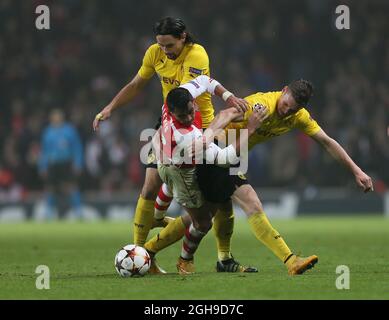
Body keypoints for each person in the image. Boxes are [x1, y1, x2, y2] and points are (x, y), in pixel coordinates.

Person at [144, 79, 374, 275]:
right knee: (248, 203)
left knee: (211, 213)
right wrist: (207, 138)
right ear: (283, 91)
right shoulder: (261, 105)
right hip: (217, 154)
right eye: (285, 105)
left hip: (230, 156)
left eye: (292, 109)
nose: (286, 111)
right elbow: (225, 113)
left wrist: (356, 171)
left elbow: (327, 142)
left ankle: (202, 257)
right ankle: (290, 261)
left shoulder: (298, 117)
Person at [93, 17, 251, 273]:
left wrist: (229, 100)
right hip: (172, 125)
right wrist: (111, 106)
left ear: (183, 37)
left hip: (201, 128)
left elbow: (192, 92)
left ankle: (217, 256)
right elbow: (136, 84)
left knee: (215, 202)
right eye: (160, 45)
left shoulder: (197, 55)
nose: (164, 50)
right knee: (150, 186)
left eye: (169, 45)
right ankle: (141, 254)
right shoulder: (154, 54)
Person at [151, 75, 265, 274]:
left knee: (170, 184)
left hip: (165, 160)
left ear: (192, 101)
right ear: (171, 112)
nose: (187, 118)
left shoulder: (173, 99)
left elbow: (204, 80)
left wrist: (228, 96)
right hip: (181, 174)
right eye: (182, 116)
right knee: (203, 222)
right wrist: (251, 128)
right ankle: (183, 260)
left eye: (189, 112)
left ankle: (157, 216)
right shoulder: (188, 136)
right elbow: (225, 159)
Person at [39, 109, 84, 219]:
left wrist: (78, 162)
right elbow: (44, 151)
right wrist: (43, 166)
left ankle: (78, 211)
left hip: (66, 163)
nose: (56, 119)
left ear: (62, 118)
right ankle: (48, 212)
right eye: (54, 117)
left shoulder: (69, 130)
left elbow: (77, 148)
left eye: (58, 117)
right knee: (50, 188)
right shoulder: (47, 132)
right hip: (53, 164)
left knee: (71, 186)